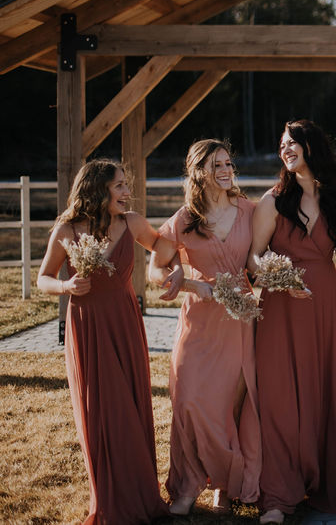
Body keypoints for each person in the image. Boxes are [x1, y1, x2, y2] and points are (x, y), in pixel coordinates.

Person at [37, 159, 180, 524]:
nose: (126, 192)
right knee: (101, 410)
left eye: (125, 186)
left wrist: (174, 267)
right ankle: (109, 495)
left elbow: (164, 249)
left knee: (131, 405)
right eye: (119, 186)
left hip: (124, 322)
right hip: (86, 325)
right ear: (97, 189)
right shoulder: (66, 230)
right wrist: (66, 286)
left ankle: (141, 492)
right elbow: (44, 278)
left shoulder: (130, 222)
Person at [248, 119, 336, 523]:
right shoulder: (272, 201)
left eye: (292, 143)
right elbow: (253, 260)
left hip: (323, 304)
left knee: (325, 388)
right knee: (280, 397)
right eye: (281, 145)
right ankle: (278, 495)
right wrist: (277, 277)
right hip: (281, 307)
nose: (285, 150)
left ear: (311, 147)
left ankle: (325, 482)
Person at [148, 139, 260, 515]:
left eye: (228, 163)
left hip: (239, 319)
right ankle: (186, 485)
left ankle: (225, 488)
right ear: (199, 172)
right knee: (191, 401)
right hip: (198, 319)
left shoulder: (249, 210)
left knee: (230, 404)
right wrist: (189, 280)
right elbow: (154, 269)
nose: (226, 170)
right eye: (216, 165)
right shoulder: (184, 219)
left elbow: (260, 258)